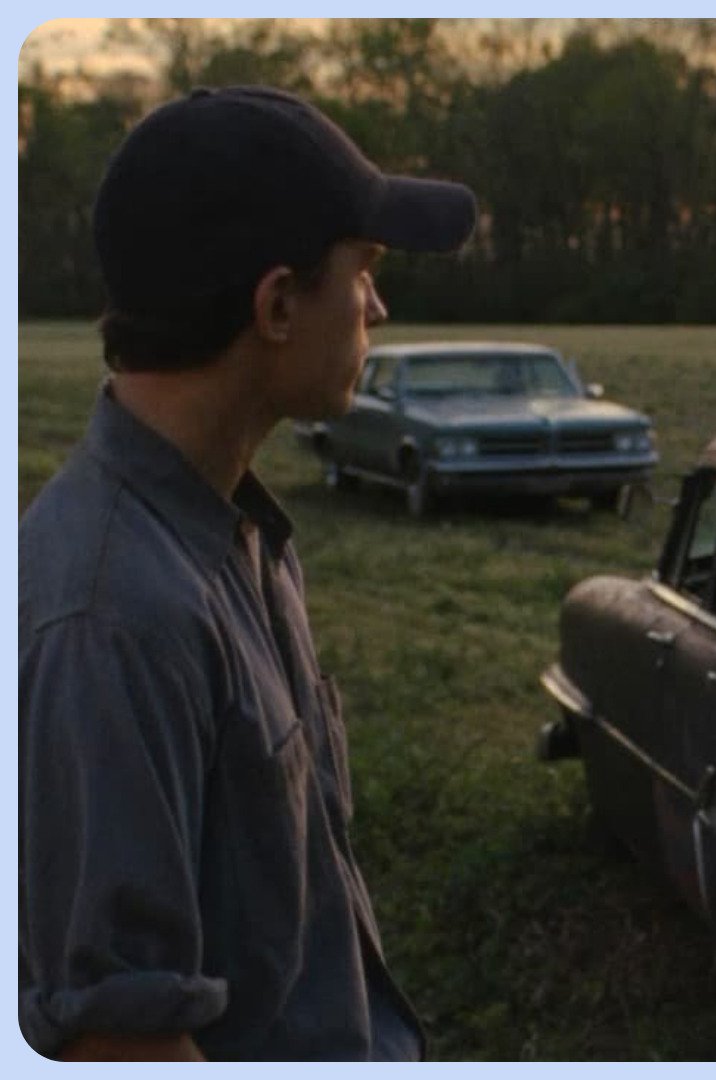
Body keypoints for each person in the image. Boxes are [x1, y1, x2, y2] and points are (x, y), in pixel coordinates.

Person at [18, 86, 477, 1060]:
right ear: (276, 305)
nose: (378, 306)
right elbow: (122, 1042)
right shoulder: (114, 618)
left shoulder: (239, 535)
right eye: (365, 271)